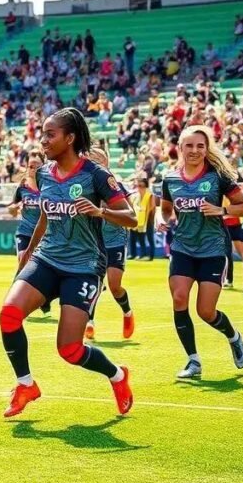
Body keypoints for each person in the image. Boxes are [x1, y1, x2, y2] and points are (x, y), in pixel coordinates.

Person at [0, 108, 136, 418]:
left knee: (70, 351)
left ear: (70, 138)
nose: (43, 140)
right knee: (8, 315)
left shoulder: (96, 175)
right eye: (42, 134)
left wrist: (100, 212)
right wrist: (27, 257)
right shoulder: (45, 172)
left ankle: (117, 376)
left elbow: (131, 217)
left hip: (83, 266)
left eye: (50, 135)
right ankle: (25, 385)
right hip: (47, 259)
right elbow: (46, 217)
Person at [159, 125, 243, 380]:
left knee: (206, 311)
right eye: (189, 145)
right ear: (180, 148)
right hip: (182, 248)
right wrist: (162, 218)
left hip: (212, 248)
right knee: (179, 298)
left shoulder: (219, 176)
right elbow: (165, 208)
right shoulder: (170, 179)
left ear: (207, 148)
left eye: (200, 146)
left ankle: (233, 337)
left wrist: (222, 211)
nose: (195, 150)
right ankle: (193, 361)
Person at [84, 142, 135, 340]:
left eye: (98, 160)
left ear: (106, 162)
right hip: (94, 242)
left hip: (115, 239)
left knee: (114, 285)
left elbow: (131, 212)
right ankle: (89, 322)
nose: (93, 163)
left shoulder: (115, 185)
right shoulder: (84, 186)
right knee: (93, 282)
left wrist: (106, 210)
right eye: (90, 159)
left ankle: (127, 312)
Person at [7, 150, 51, 316]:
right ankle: (15, 298)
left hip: (43, 235)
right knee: (23, 258)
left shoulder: (48, 186)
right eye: (30, 166)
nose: (33, 169)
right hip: (24, 231)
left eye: (37, 166)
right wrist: (12, 209)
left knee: (40, 268)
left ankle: (43, 298)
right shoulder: (22, 188)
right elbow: (12, 208)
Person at [128, 177, 156, 260]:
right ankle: (137, 254)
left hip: (148, 220)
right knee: (136, 238)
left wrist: (148, 218)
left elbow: (152, 208)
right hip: (137, 219)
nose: (139, 188)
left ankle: (151, 256)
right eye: (138, 186)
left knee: (150, 238)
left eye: (141, 186)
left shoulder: (150, 195)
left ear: (146, 186)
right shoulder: (135, 196)